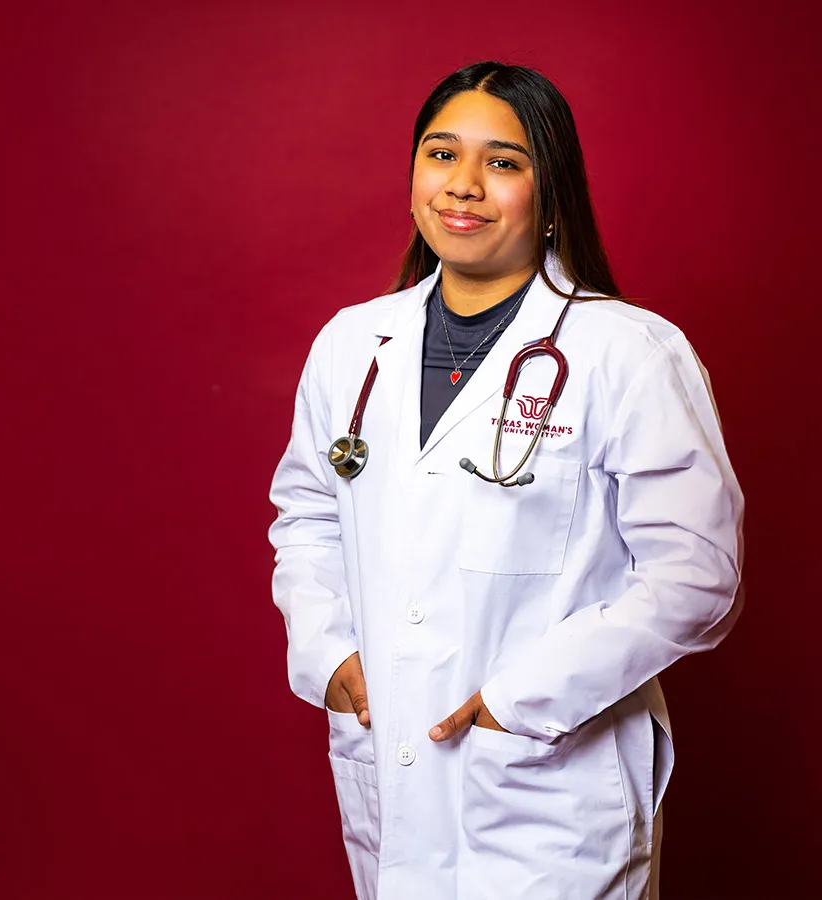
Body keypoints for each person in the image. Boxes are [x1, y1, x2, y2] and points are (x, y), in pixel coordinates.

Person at [267, 61, 744, 900]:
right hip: (394, 760)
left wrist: (518, 701)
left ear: (551, 192)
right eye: (441, 154)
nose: (464, 185)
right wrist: (328, 648)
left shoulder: (628, 352)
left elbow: (694, 575)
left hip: (549, 781)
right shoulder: (351, 345)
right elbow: (307, 513)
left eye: (504, 162)